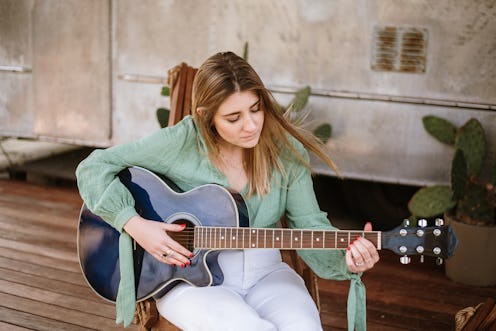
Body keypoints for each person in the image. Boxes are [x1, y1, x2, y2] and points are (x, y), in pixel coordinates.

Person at [76, 51, 379, 331]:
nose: (250, 125)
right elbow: (93, 168)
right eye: (233, 118)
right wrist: (136, 225)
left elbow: (310, 226)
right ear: (206, 116)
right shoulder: (182, 141)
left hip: (267, 273)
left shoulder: (285, 151)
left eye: (256, 109)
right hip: (192, 282)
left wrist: (347, 260)